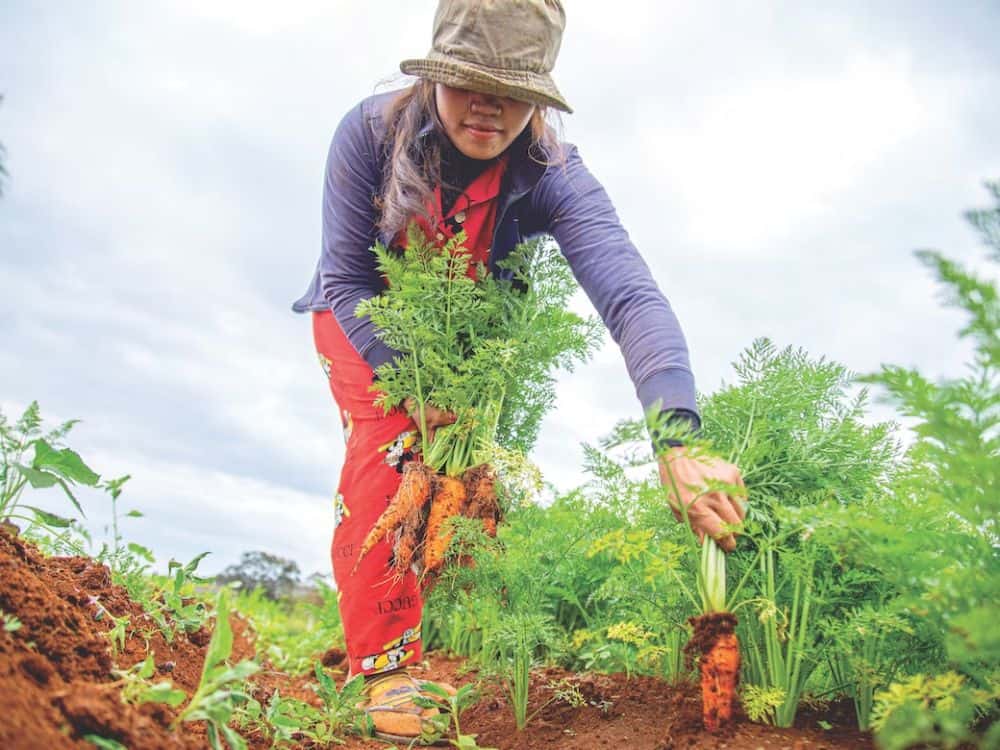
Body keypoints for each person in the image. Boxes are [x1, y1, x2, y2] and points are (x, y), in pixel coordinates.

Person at [292, 0, 746, 741]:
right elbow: (346, 278)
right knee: (395, 449)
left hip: (468, 338)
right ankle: (377, 671)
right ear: (437, 71)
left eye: (515, 90)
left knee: (453, 493)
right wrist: (411, 383)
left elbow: (630, 294)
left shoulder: (551, 172)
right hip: (363, 320)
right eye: (471, 81)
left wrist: (678, 437)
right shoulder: (370, 133)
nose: (491, 106)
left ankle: (393, 632)